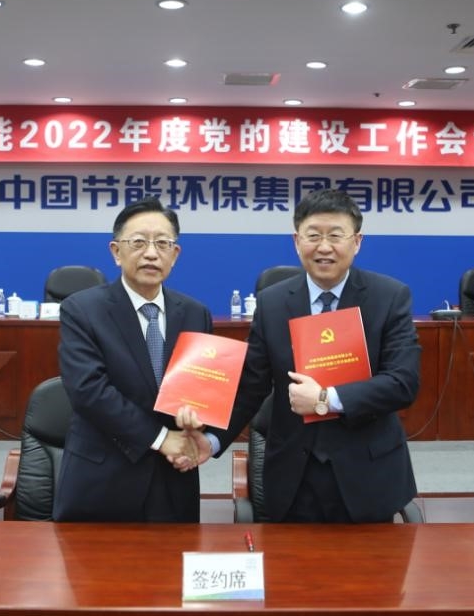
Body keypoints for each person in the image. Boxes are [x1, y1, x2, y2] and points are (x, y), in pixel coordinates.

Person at [181, 188, 422, 523]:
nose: (324, 247)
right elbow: (251, 385)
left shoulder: (389, 296)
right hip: (293, 475)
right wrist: (212, 439)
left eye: (335, 235)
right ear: (297, 241)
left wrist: (326, 399)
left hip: (367, 473)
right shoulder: (273, 302)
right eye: (313, 235)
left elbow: (402, 382)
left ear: (357, 242)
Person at [53, 196, 213, 522]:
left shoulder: (196, 313)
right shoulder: (82, 309)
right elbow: (89, 390)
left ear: (175, 254)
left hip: (173, 479)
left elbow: (202, 388)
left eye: (162, 243)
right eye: (138, 242)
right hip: (103, 479)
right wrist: (162, 439)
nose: (151, 253)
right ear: (116, 251)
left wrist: (198, 421)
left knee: (174, 556)